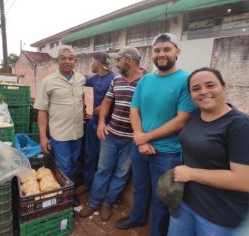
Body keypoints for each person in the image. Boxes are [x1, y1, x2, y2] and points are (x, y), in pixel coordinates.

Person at [168, 67, 249, 236]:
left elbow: (245, 181)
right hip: (186, 203)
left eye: (210, 85)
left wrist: (191, 173)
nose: (204, 92)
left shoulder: (243, 127)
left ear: (224, 87)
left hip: (220, 216)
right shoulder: (196, 116)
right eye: (196, 88)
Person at [115, 33, 196, 236]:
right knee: (141, 187)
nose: (161, 54)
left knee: (162, 197)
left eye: (167, 49)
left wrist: (145, 138)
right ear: (152, 54)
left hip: (167, 153)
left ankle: (157, 232)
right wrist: (139, 137)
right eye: (157, 50)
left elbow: (181, 120)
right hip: (140, 147)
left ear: (177, 52)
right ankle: (137, 218)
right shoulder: (145, 80)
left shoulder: (186, 80)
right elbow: (135, 110)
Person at [79, 46, 144, 221]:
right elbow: (107, 102)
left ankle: (108, 202)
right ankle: (94, 202)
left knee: (121, 174)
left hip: (132, 140)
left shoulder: (147, 81)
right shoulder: (117, 80)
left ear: (128, 60)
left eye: (119, 60)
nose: (116, 63)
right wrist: (101, 123)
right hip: (111, 134)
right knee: (103, 170)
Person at [34, 45, 85, 184]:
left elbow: (82, 98)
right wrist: (43, 137)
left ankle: (69, 190)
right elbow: (42, 111)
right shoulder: (48, 82)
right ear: (57, 61)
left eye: (71, 58)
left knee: (75, 164)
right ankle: (66, 196)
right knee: (65, 167)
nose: (67, 61)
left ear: (75, 61)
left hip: (78, 132)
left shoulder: (81, 79)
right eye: (63, 58)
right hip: (60, 134)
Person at [75, 51, 117, 196]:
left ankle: (102, 190)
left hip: (108, 125)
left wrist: (107, 106)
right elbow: (78, 82)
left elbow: (123, 97)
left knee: (104, 160)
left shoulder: (115, 78)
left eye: (92, 61)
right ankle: (88, 183)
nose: (91, 64)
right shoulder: (94, 79)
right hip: (93, 122)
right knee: (90, 154)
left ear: (98, 62)